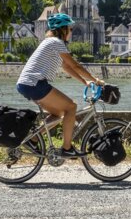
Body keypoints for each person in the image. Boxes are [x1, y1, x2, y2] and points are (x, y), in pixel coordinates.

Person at [16, 13, 104, 157]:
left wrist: (85, 82)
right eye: (69, 29)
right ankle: (67, 148)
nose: (71, 32)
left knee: (58, 114)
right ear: (62, 30)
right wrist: (95, 80)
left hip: (27, 84)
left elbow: (67, 67)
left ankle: (32, 140)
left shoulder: (50, 43)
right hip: (35, 84)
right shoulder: (56, 43)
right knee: (71, 107)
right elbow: (75, 65)